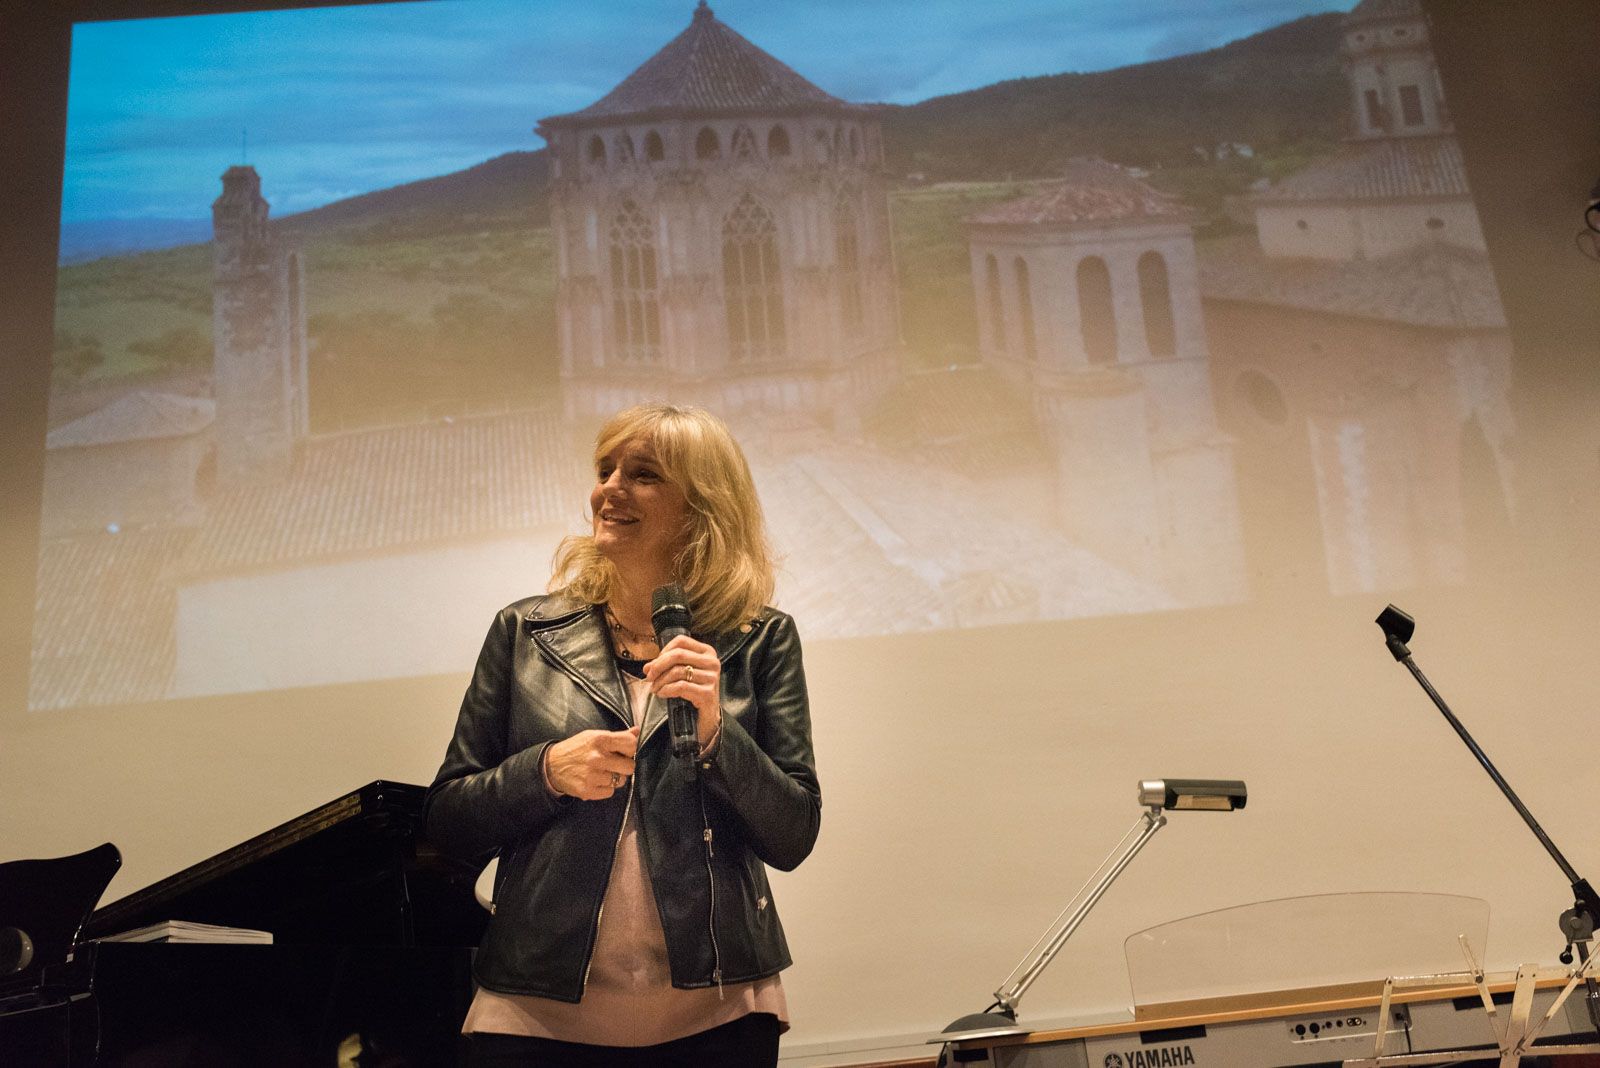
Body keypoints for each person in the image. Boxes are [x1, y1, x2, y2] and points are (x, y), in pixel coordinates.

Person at [424, 403, 820, 1067]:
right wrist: (544, 771)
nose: (608, 489)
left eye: (642, 475)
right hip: (535, 1010)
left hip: (719, 1011)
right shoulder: (523, 633)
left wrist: (721, 735)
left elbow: (793, 834)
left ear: (701, 504)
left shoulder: (761, 638)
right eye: (605, 469)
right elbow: (446, 822)